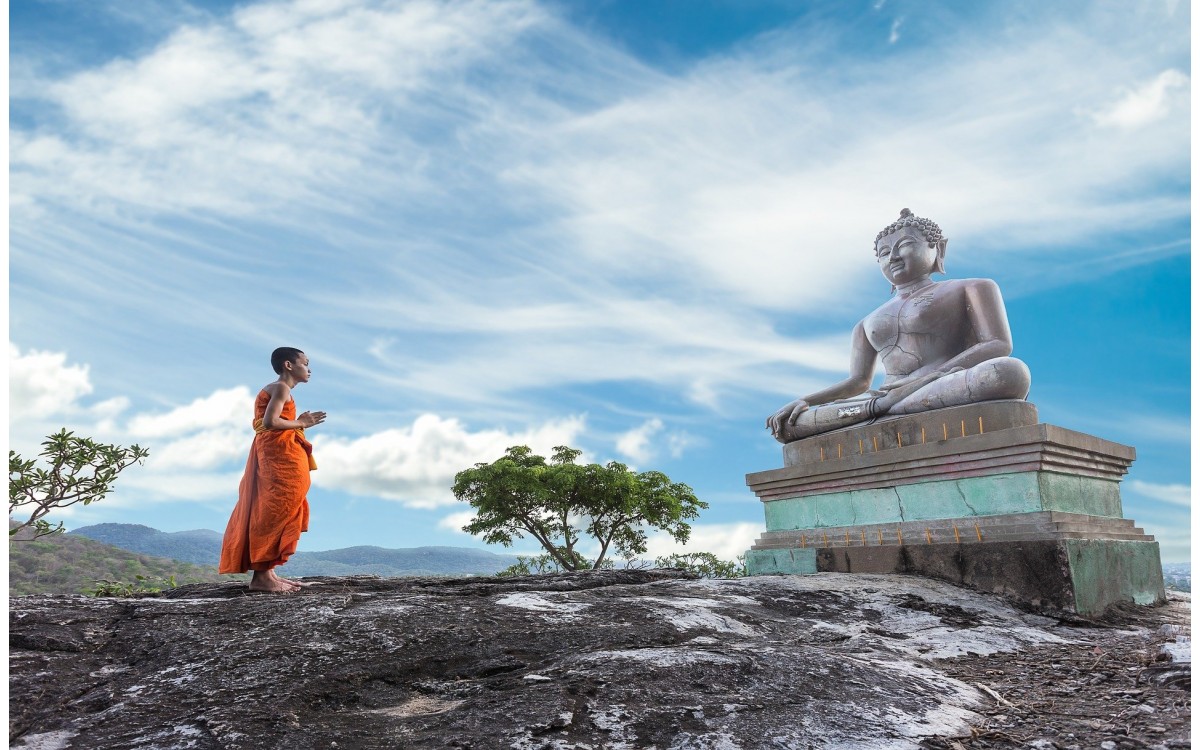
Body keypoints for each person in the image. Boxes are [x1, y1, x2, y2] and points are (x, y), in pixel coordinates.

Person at [766, 209, 1030, 444]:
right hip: (880, 396)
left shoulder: (972, 288)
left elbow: (998, 344)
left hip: (940, 384)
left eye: (904, 246)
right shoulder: (866, 322)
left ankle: (883, 409)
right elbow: (858, 382)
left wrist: (927, 377)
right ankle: (884, 407)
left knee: (1008, 372)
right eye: (883, 253)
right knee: (791, 425)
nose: (892, 257)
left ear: (938, 248)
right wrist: (807, 401)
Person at [220, 347, 327, 593]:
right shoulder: (281, 388)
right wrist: (302, 422)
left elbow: (272, 421)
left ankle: (268, 572)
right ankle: (261, 577)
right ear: (289, 365)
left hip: (281, 454)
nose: (309, 369)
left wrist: (298, 422)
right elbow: (270, 422)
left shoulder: (281, 390)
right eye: (305, 363)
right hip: (279, 458)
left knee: (278, 507)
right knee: (274, 508)